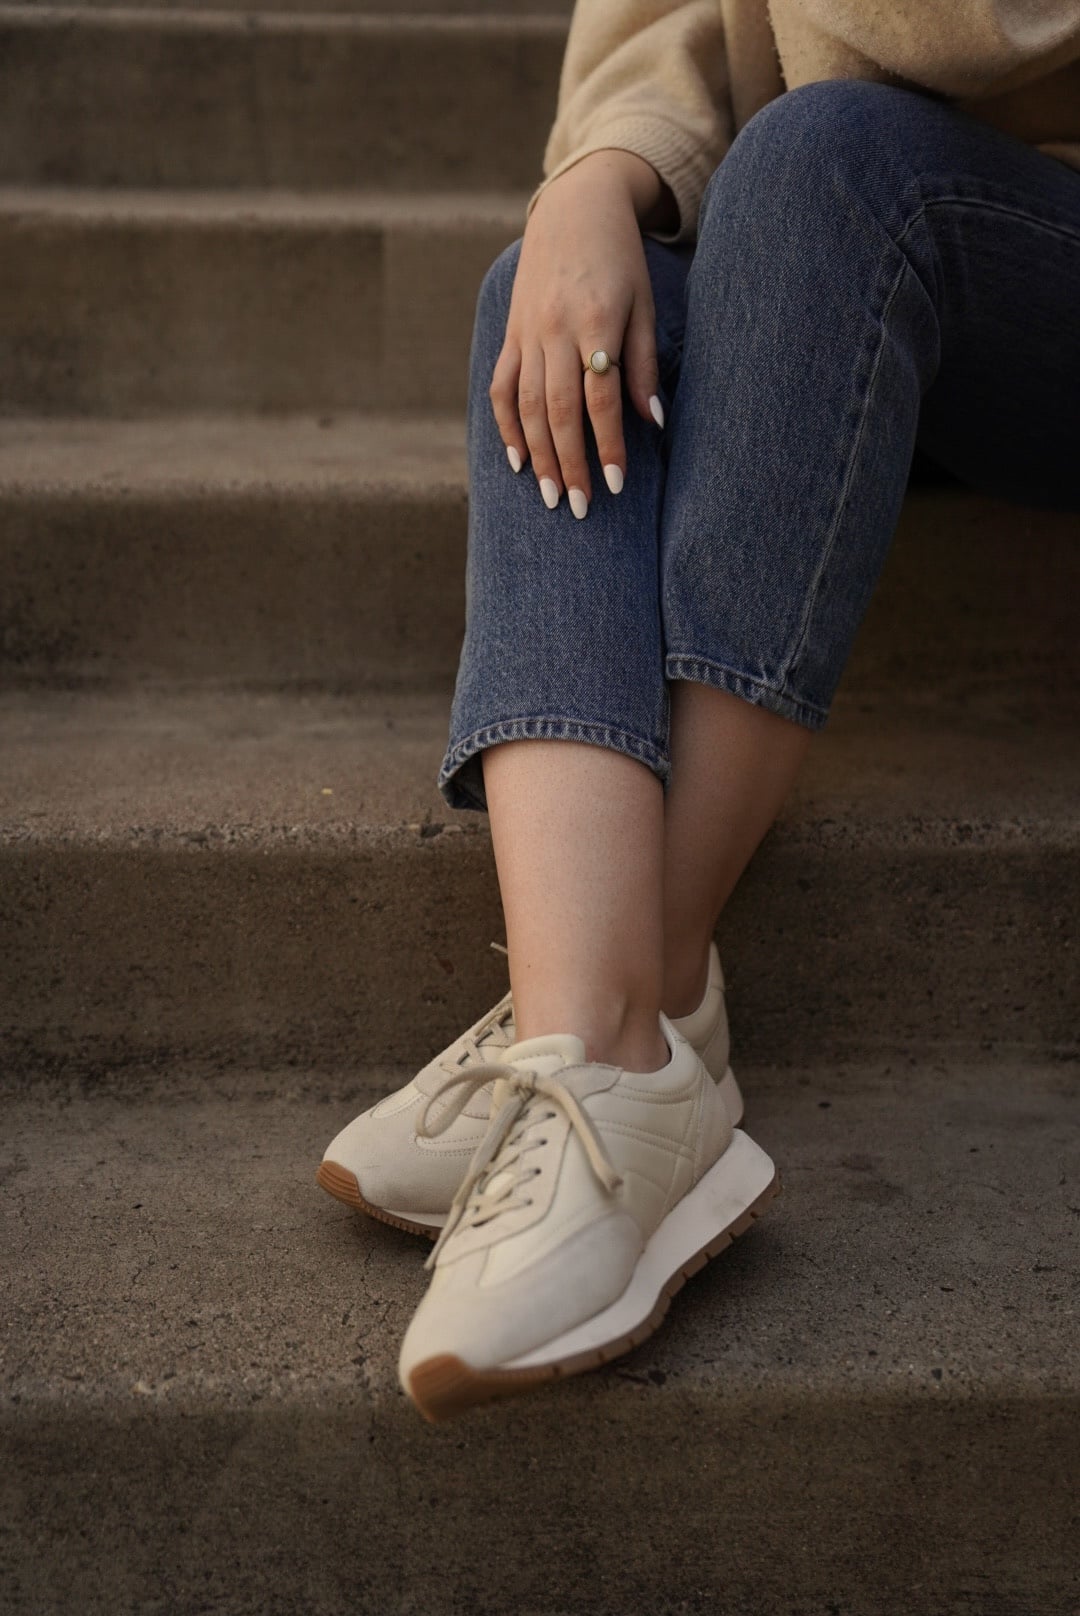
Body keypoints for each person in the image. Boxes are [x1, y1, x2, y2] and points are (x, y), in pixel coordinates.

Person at [319, 0, 1080, 1421]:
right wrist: (597, 184)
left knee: (824, 153)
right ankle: (608, 1033)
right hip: (839, 278)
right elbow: (660, 28)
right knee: (547, 300)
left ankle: (619, 1019)